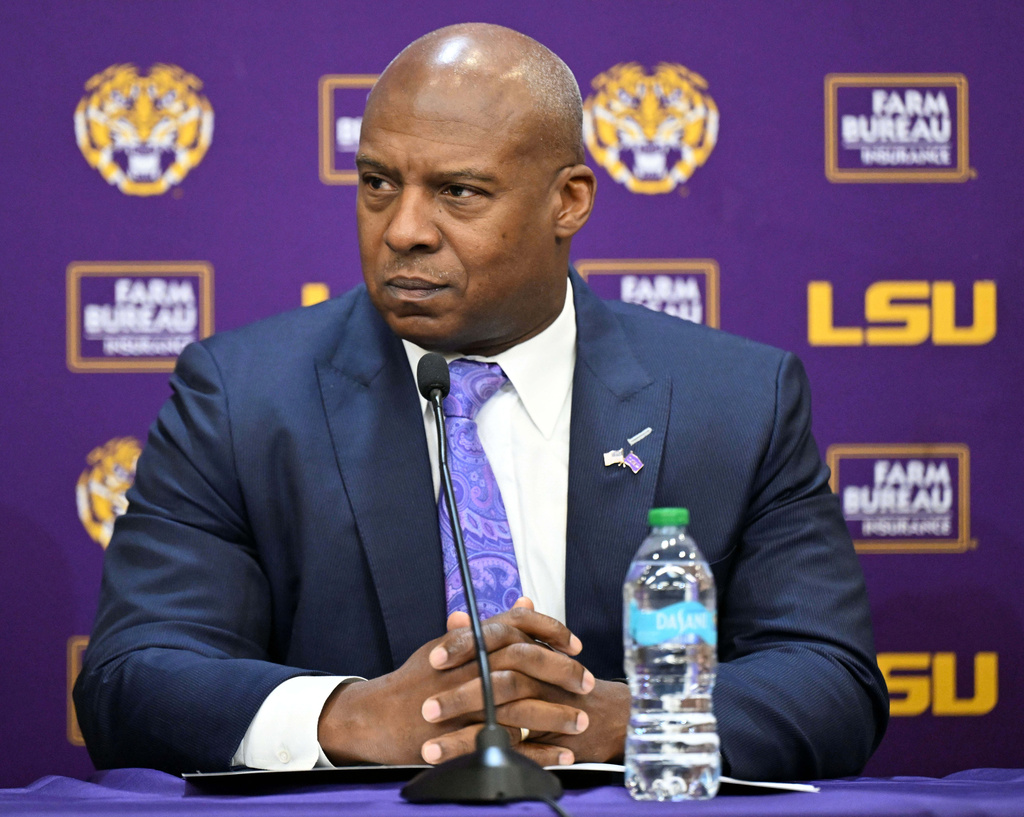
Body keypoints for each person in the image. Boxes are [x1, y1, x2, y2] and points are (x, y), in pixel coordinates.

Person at [74, 23, 888, 781]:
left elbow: (831, 679)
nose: (403, 229)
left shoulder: (735, 401)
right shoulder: (241, 396)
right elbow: (131, 676)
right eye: (378, 183)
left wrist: (631, 719)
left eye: (458, 192)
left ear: (568, 200)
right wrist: (344, 716)